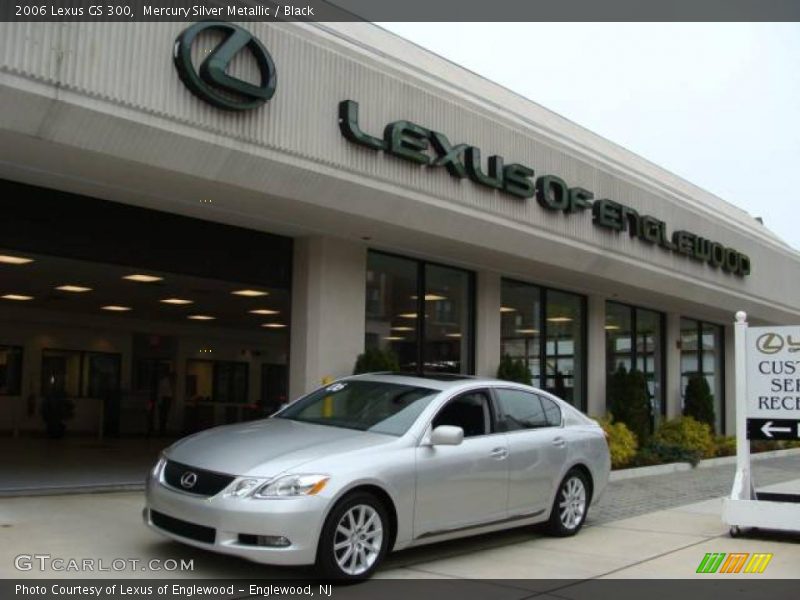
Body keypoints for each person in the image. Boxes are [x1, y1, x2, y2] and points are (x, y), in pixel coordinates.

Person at [156, 370, 174, 436]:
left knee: (165, 415)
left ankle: (163, 429)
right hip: (164, 399)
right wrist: (160, 401)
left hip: (166, 399)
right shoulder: (164, 382)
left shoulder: (169, 382)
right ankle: (162, 430)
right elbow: (161, 392)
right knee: (163, 415)